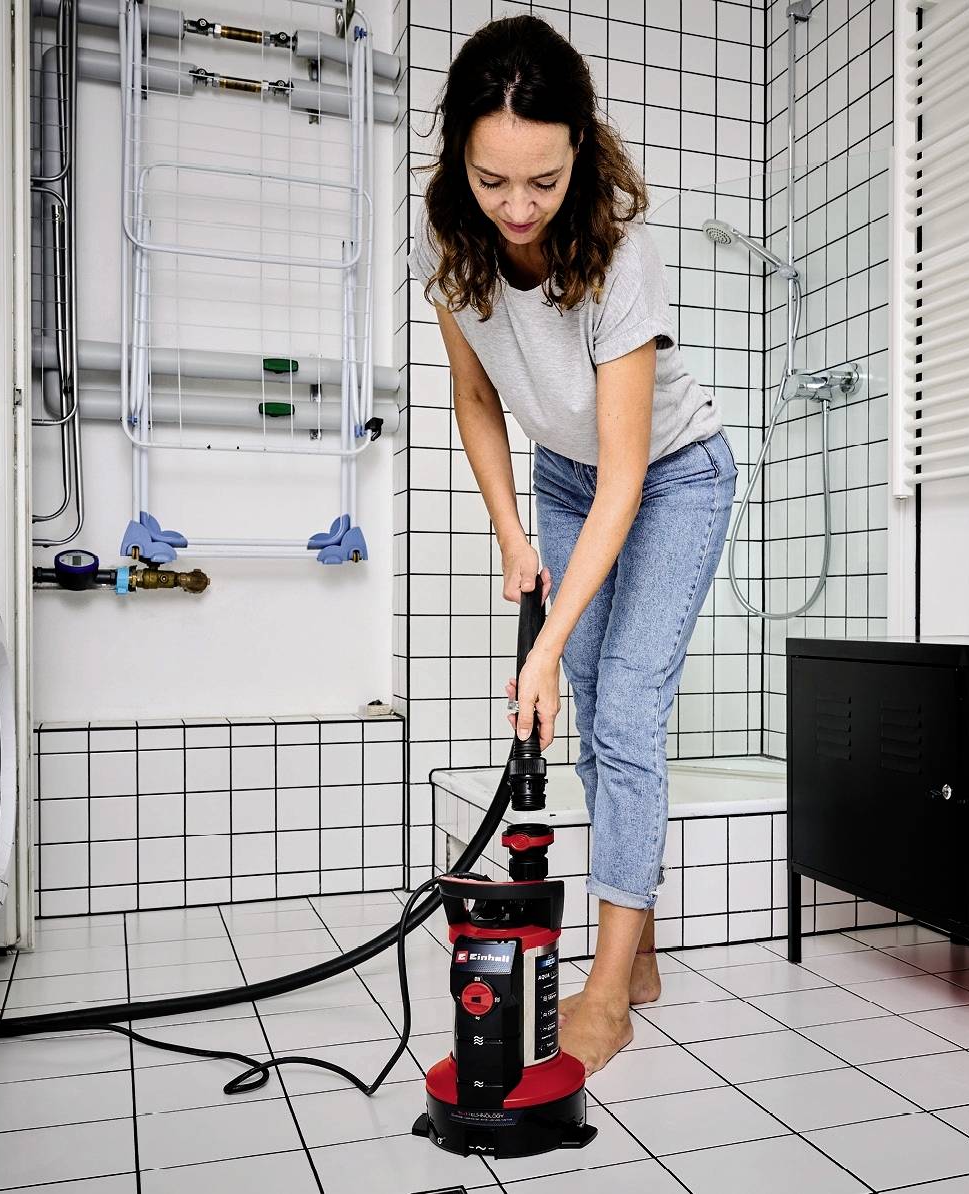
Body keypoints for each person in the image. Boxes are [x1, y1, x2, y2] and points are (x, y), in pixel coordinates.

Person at [412, 14, 736, 1073]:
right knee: (591, 715)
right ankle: (632, 952)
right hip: (561, 478)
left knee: (625, 706)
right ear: (459, 154)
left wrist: (544, 642)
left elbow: (629, 471)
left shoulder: (615, 254)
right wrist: (512, 537)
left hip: (671, 478)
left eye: (540, 183)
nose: (513, 208)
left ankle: (608, 987)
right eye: (489, 179)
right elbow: (473, 398)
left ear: (578, 155)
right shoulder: (449, 240)